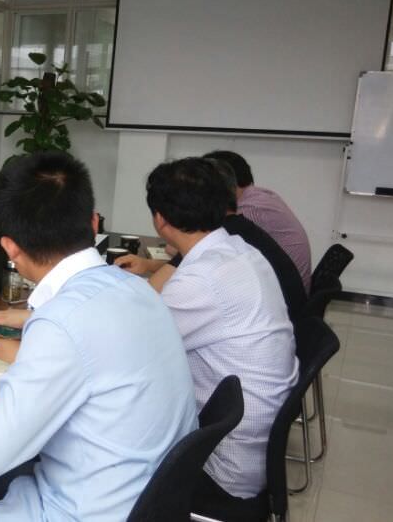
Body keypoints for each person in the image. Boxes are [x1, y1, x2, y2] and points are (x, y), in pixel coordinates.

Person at [0, 152, 198, 521]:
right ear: (93, 222)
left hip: (80, 510)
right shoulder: (136, 289)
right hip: (137, 499)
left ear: (9, 248)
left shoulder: (62, 321)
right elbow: (91, 363)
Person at [145, 157, 298, 518]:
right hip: (252, 442)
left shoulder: (201, 280)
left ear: (160, 219)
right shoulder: (240, 251)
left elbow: (131, 351)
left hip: (222, 465)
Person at [116, 158, 308, 321]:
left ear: (160, 218)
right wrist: (149, 265)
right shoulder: (239, 246)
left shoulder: (197, 279)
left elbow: (137, 321)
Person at [206, 150, 312, 293]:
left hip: (284, 295)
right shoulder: (261, 196)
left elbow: (208, 246)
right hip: (288, 287)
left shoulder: (250, 209)